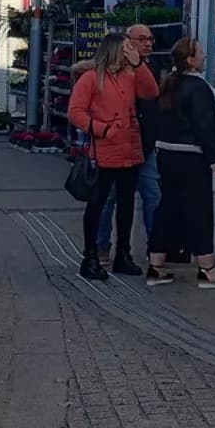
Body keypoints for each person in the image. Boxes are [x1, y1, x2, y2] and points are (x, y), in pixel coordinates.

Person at [67, 31, 159, 281]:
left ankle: (123, 254)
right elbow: (75, 111)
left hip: (130, 150)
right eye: (127, 48)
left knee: (127, 205)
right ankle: (91, 256)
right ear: (115, 50)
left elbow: (151, 92)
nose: (131, 51)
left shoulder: (131, 75)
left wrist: (139, 65)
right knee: (98, 204)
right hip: (104, 152)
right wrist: (101, 128)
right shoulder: (90, 78)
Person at [146, 37, 215, 288]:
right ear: (191, 59)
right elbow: (205, 127)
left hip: (166, 155)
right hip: (191, 157)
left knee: (168, 209)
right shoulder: (199, 88)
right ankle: (207, 268)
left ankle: (156, 265)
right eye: (201, 53)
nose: (205, 56)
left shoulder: (169, 85)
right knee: (199, 210)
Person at [96, 23, 165, 265]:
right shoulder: (111, 72)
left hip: (144, 146)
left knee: (153, 197)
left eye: (150, 39)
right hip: (116, 146)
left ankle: (156, 249)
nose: (148, 43)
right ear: (127, 43)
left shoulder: (150, 68)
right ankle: (102, 247)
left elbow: (153, 94)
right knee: (109, 199)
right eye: (142, 39)